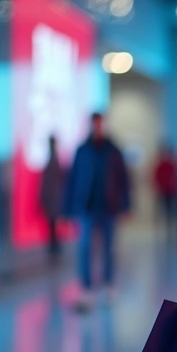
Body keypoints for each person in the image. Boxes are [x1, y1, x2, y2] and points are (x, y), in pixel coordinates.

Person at [63, 112, 130, 310]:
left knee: (108, 249)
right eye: (95, 125)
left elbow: (123, 180)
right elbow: (72, 179)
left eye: (101, 124)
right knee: (85, 249)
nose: (98, 128)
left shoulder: (114, 151)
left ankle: (108, 284)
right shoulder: (82, 150)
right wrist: (68, 208)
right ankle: (87, 287)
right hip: (87, 207)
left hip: (109, 208)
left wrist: (125, 205)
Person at [39, 136, 65, 260]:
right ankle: (54, 249)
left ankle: (55, 249)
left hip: (54, 200)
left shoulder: (53, 161)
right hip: (52, 200)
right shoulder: (52, 160)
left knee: (53, 226)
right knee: (52, 226)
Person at [152, 144, 177, 241]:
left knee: (169, 212)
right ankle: (162, 230)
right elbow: (156, 177)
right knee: (163, 212)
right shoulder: (162, 164)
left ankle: (169, 230)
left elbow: (175, 177)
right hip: (163, 191)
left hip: (170, 192)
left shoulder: (170, 164)